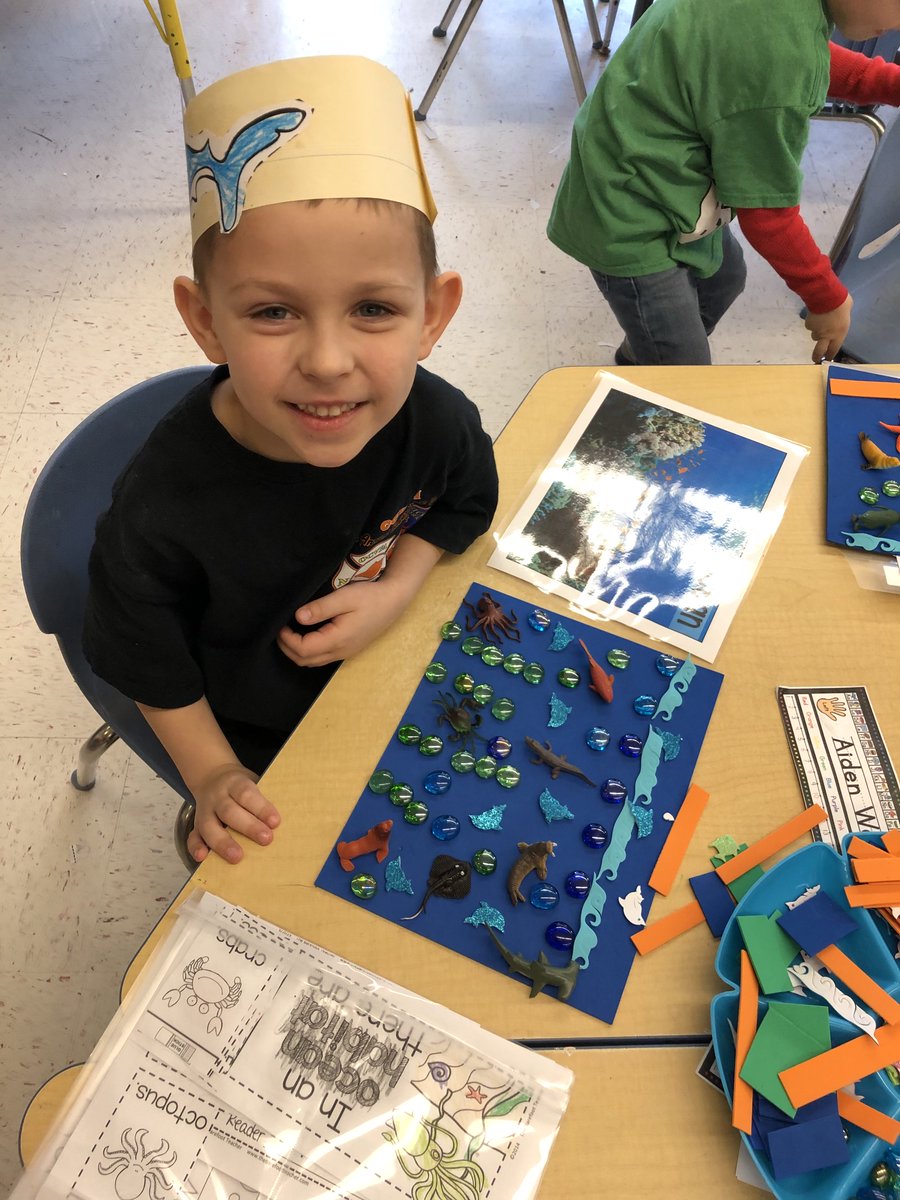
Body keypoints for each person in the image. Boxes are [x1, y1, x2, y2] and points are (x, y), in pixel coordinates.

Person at [83, 57, 498, 867]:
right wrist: (212, 772)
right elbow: (144, 656)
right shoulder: (162, 507)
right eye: (274, 312)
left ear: (432, 314)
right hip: (260, 728)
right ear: (206, 321)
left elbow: (462, 501)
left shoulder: (436, 422)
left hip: (391, 670)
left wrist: (395, 589)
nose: (329, 362)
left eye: (373, 308)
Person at [547, 0, 900, 365]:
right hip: (628, 213)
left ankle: (646, 352)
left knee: (725, 279)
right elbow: (769, 215)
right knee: (685, 369)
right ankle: (651, 363)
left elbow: (798, 55)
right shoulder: (776, 53)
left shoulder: (782, 19)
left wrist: (888, 82)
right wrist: (828, 298)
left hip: (647, 173)